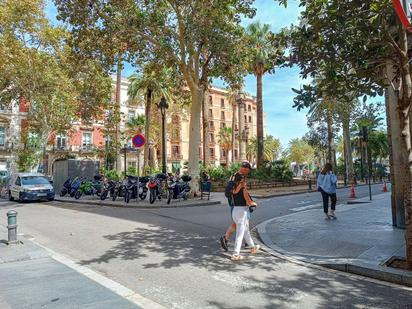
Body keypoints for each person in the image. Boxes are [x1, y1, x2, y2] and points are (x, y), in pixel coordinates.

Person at [220, 161, 252, 251]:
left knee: (243, 222)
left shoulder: (240, 176)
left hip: (241, 205)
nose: (248, 172)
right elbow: (229, 192)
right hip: (238, 205)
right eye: (248, 170)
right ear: (244, 169)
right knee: (239, 223)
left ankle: (247, 242)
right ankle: (227, 239)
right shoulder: (235, 177)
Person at [230, 173, 260, 261]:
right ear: (242, 181)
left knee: (245, 231)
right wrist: (255, 203)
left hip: (235, 211)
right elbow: (249, 202)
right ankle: (236, 254)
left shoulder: (233, 189)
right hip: (242, 212)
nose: (246, 182)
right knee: (240, 234)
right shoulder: (244, 190)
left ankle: (253, 247)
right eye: (245, 180)